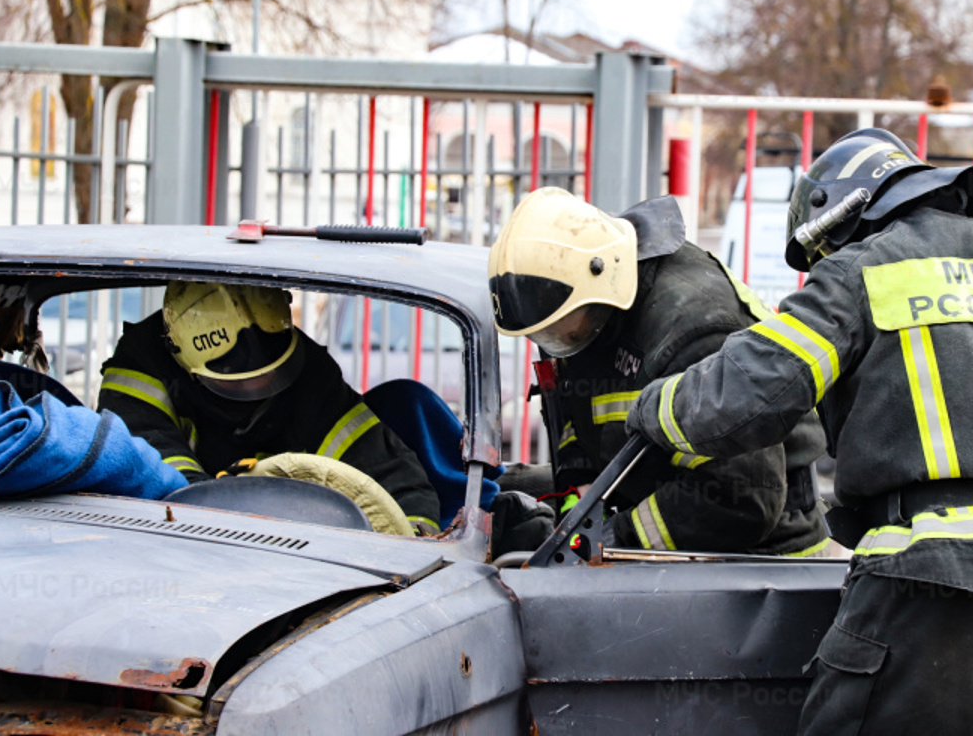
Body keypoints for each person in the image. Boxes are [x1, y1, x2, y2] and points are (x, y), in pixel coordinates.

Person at [625, 128, 973, 735]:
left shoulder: (860, 271)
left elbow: (745, 398)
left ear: (844, 218)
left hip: (924, 582)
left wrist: (649, 409)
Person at [488, 186, 830, 556]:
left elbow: (741, 499)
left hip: (760, 563)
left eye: (558, 330)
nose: (557, 340)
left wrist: (608, 542)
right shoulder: (588, 315)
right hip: (666, 541)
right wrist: (578, 506)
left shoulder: (694, 331)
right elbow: (579, 414)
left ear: (602, 278)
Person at [97, 281, 441, 533]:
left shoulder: (311, 375)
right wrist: (215, 505)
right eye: (236, 382)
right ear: (182, 362)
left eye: (270, 376)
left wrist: (412, 533)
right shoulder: (142, 363)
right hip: (168, 537)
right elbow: (144, 456)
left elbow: (386, 468)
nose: (256, 389)